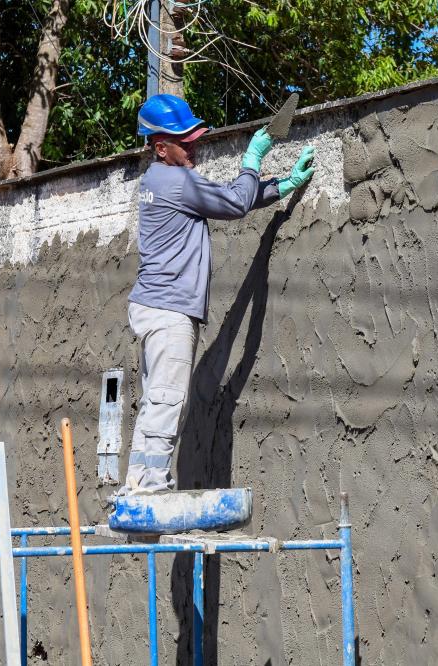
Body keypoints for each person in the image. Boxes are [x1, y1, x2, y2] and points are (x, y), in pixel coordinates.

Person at [119, 94, 315, 496]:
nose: (194, 146)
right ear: (161, 147)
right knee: (169, 401)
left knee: (156, 401)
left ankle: (138, 482)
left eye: (193, 139)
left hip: (155, 304)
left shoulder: (158, 180)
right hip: (170, 309)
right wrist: (253, 157)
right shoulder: (177, 181)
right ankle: (152, 487)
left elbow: (227, 198)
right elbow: (235, 201)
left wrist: (282, 186)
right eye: (185, 141)